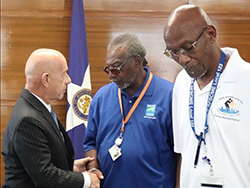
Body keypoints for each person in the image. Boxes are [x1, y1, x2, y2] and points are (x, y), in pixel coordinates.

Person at [163, 5, 250, 188]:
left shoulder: (246, 79)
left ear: (210, 34)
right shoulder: (181, 83)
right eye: (174, 53)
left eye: (188, 48)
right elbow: (182, 153)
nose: (183, 59)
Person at [84, 33, 177, 188]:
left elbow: (181, 152)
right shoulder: (101, 97)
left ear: (137, 62)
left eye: (117, 68)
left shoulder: (169, 95)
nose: (112, 75)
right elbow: (90, 143)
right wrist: (93, 169)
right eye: (109, 69)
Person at [2, 48, 103, 188]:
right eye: (64, 74)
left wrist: (70, 167)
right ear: (46, 79)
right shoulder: (28, 119)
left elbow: (37, 162)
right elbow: (45, 177)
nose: (69, 80)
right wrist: (86, 180)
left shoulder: (37, 107)